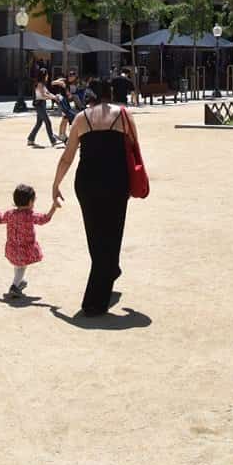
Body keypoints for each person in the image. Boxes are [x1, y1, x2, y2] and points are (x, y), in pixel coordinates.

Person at [51, 77, 135, 317]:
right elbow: (133, 145)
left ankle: (109, 270)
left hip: (87, 183)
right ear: (110, 93)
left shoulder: (80, 118)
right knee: (113, 232)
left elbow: (67, 157)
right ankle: (94, 302)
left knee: (95, 235)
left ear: (90, 95)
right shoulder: (123, 115)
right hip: (116, 181)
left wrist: (56, 185)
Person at [0, 183, 59, 299]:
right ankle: (15, 286)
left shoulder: (10, 214)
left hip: (12, 249)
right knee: (22, 266)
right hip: (24, 250)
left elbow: (0, 219)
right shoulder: (30, 215)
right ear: (30, 202)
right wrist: (53, 207)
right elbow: (44, 219)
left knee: (17, 265)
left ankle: (19, 282)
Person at [27, 69, 57, 148]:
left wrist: (55, 96)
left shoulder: (43, 84)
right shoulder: (40, 84)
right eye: (47, 75)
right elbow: (43, 95)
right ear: (44, 75)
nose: (48, 76)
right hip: (39, 104)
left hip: (42, 104)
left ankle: (30, 139)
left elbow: (47, 93)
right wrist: (53, 98)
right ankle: (53, 140)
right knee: (47, 121)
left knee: (39, 123)